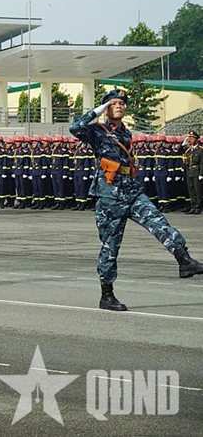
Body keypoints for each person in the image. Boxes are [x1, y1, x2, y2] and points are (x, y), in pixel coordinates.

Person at [69, 89, 203, 311]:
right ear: (106, 109)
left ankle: (184, 260)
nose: (119, 105)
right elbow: (75, 128)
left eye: (121, 103)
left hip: (130, 190)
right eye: (113, 103)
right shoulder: (97, 131)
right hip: (109, 195)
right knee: (111, 246)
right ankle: (107, 294)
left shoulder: (126, 133)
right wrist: (100, 109)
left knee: (159, 222)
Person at [184, 131, 202, 214]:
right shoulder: (188, 150)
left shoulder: (200, 150)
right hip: (189, 171)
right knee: (190, 190)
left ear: (196, 139)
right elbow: (180, 151)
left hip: (197, 172)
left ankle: (198, 207)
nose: (190, 140)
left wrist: (201, 174)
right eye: (189, 138)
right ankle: (193, 205)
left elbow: (202, 163)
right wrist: (184, 143)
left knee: (197, 190)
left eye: (192, 138)